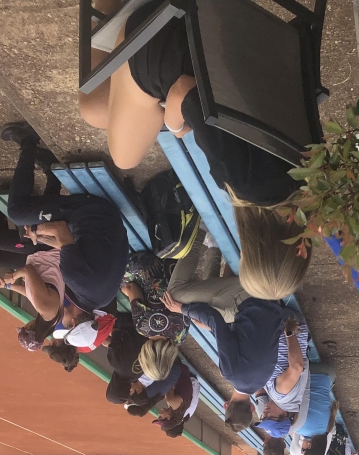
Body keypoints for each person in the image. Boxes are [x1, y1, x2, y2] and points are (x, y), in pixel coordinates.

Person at [77, 0, 309, 300]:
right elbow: (185, 90)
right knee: (123, 156)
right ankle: (117, 13)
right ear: (252, 246)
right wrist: (176, 127)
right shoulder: (241, 184)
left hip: (242, 39)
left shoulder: (307, 178)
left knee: (98, 112)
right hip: (179, 39)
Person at [2, 121, 128, 314]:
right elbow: (60, 228)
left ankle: (49, 169)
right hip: (89, 210)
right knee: (17, 213)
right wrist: (35, 229)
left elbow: (70, 249)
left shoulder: (103, 298)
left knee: (40, 221)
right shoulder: (75, 279)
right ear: (75, 319)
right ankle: (28, 141)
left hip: (110, 219)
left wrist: (40, 237)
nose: (64, 315)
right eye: (67, 323)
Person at [163, 291, 285, 394]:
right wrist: (182, 309)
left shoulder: (262, 381)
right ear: (227, 405)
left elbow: (248, 337)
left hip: (275, 308)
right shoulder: (231, 374)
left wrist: (213, 329)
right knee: (177, 294)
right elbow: (215, 318)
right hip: (254, 300)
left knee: (209, 298)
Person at [0, 247, 64, 350]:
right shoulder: (45, 309)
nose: (25, 324)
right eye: (24, 327)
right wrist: (13, 277)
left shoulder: (52, 321)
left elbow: (31, 295)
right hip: (44, 251)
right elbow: (28, 270)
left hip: (45, 258)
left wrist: (7, 286)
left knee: (0, 258)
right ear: (29, 328)